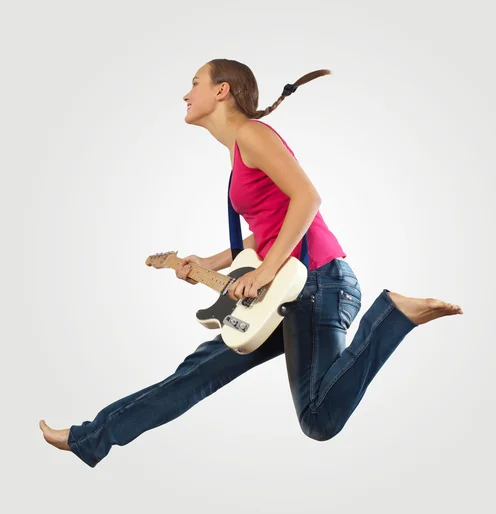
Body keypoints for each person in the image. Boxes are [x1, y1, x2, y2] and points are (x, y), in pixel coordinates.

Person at [40, 59, 463, 468]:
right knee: (192, 377)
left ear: (221, 90)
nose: (186, 94)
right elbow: (271, 226)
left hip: (318, 283)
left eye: (195, 83)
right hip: (286, 291)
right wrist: (213, 260)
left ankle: (391, 317)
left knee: (319, 420)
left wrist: (263, 271)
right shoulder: (239, 152)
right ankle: (89, 438)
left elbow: (308, 199)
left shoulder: (253, 135)